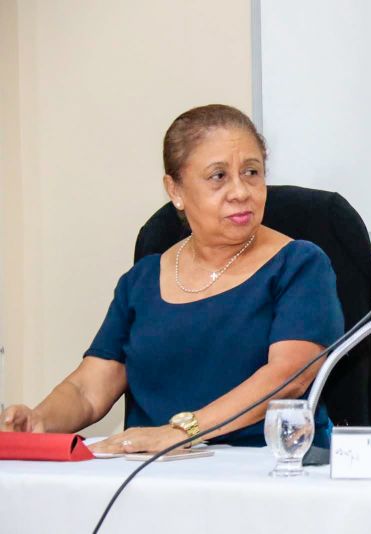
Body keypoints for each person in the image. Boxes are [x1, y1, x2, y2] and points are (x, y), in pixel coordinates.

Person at [0, 104, 344, 453]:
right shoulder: (142, 280)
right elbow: (89, 389)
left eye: (252, 172)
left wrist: (182, 431)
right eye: (218, 176)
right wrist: (40, 420)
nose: (241, 191)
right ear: (175, 190)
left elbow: (288, 377)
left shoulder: (299, 264)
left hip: (259, 469)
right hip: (150, 473)